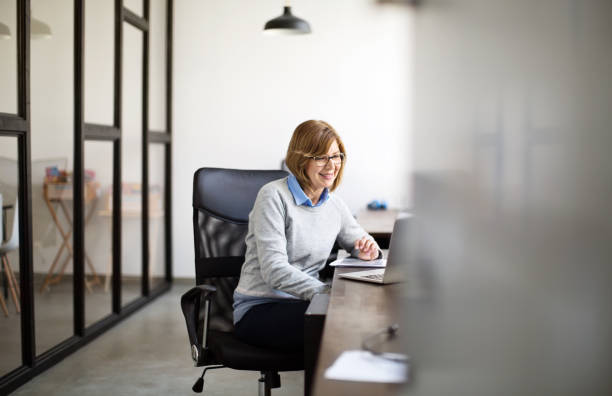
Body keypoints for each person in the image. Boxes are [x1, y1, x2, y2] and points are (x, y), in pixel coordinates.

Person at [233, 120, 381, 350]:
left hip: (306, 301)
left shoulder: (334, 205)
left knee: (357, 320)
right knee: (343, 326)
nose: (332, 165)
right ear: (301, 159)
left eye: (336, 155)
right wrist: (328, 292)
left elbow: (360, 240)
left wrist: (367, 249)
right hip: (260, 308)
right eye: (321, 157)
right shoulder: (273, 197)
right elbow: (274, 270)